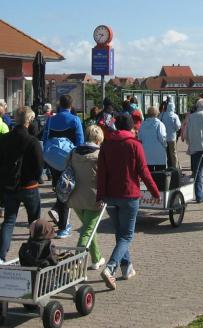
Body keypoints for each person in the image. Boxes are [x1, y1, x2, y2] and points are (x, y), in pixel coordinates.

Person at [96, 113, 160, 290]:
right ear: (132, 127)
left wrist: (100, 196)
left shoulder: (106, 144)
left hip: (110, 196)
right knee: (126, 236)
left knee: (120, 234)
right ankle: (110, 268)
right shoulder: (134, 144)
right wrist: (155, 192)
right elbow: (143, 171)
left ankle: (127, 268)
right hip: (129, 195)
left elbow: (101, 173)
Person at [0, 106, 44, 264]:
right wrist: (35, 178)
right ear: (29, 121)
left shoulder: (5, 138)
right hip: (29, 186)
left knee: (9, 220)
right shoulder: (32, 141)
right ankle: (33, 253)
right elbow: (39, 166)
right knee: (34, 221)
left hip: (10, 186)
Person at [45, 94, 85, 238]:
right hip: (69, 159)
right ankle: (63, 226)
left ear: (59, 104)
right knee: (67, 190)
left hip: (53, 159)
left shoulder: (50, 120)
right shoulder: (75, 120)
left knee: (59, 188)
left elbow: (45, 138)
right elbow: (80, 142)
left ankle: (58, 211)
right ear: (71, 105)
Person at [68, 124, 105, 270]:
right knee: (87, 230)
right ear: (98, 139)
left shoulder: (73, 152)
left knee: (89, 227)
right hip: (94, 198)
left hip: (75, 197)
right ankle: (74, 263)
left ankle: (97, 259)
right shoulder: (100, 154)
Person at [138, 106, 167, 172]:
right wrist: (165, 145)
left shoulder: (143, 124)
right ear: (157, 113)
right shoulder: (159, 124)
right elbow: (162, 137)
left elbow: (140, 138)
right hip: (159, 152)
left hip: (146, 152)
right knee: (160, 173)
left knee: (149, 173)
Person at [159, 98, 181, 170]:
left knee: (164, 153)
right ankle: (175, 167)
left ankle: (165, 166)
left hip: (163, 137)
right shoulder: (175, 116)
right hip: (172, 137)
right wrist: (174, 130)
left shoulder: (162, 114)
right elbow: (178, 126)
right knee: (173, 153)